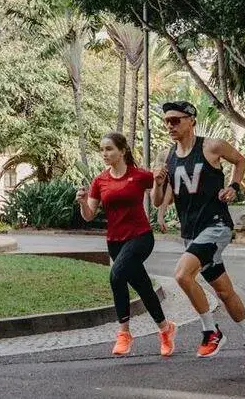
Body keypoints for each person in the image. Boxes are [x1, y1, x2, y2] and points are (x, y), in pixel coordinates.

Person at [153, 100, 245, 371]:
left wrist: (234, 187)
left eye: (176, 120)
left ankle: (211, 331)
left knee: (182, 275)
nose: (170, 125)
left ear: (191, 120)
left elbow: (240, 160)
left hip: (216, 226)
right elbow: (160, 200)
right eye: (167, 121)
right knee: (224, 291)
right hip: (191, 233)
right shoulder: (167, 156)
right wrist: (157, 184)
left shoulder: (211, 146)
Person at [77, 132, 177, 357]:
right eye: (102, 149)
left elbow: (157, 200)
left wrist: (159, 184)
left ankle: (124, 333)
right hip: (115, 242)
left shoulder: (140, 175)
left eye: (109, 149)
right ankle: (165, 329)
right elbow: (89, 215)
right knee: (142, 286)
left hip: (140, 237)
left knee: (116, 275)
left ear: (122, 151)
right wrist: (83, 202)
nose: (105, 153)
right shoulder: (99, 180)